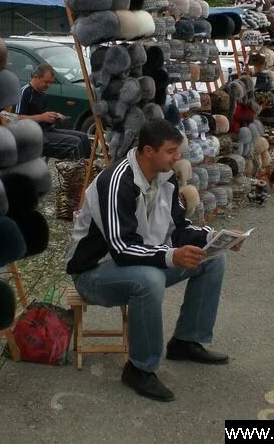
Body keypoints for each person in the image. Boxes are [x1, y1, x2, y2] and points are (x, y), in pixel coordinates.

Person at [66, 119, 234, 402]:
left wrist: (216, 238)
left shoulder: (165, 177)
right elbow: (121, 248)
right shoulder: (117, 181)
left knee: (211, 260)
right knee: (150, 279)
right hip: (93, 273)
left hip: (134, 263)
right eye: (170, 151)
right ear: (147, 151)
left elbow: (180, 229)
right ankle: (139, 368)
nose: (176, 157)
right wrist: (171, 256)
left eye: (176, 151)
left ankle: (186, 341)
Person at [16, 63, 91, 161]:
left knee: (84, 137)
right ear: (36, 77)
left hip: (46, 131)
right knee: (75, 143)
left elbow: (41, 116)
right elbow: (17, 118)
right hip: (31, 136)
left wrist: (53, 116)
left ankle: (88, 171)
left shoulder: (42, 94)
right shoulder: (25, 92)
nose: (49, 85)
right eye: (46, 82)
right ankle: (75, 174)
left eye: (51, 82)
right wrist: (42, 117)